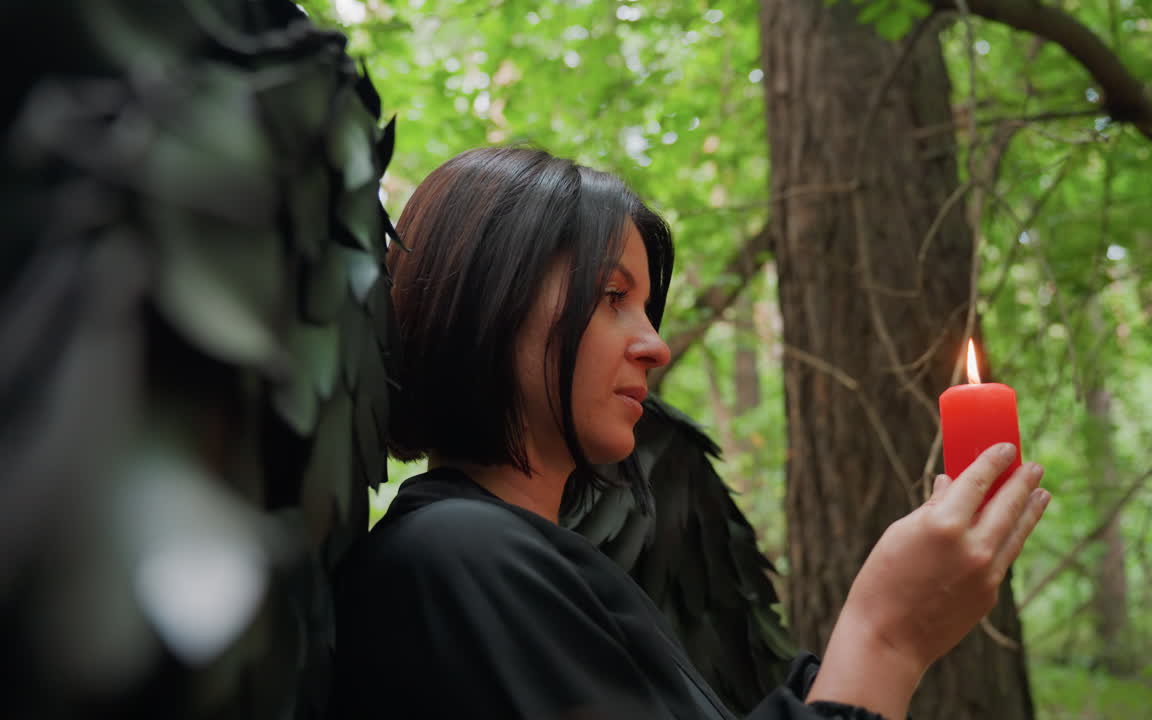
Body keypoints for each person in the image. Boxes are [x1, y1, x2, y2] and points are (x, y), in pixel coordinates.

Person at [329, 147, 1051, 720]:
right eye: (613, 296)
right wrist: (887, 637)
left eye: (648, 310)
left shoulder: (527, 556)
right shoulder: (457, 556)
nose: (655, 346)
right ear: (484, 302)